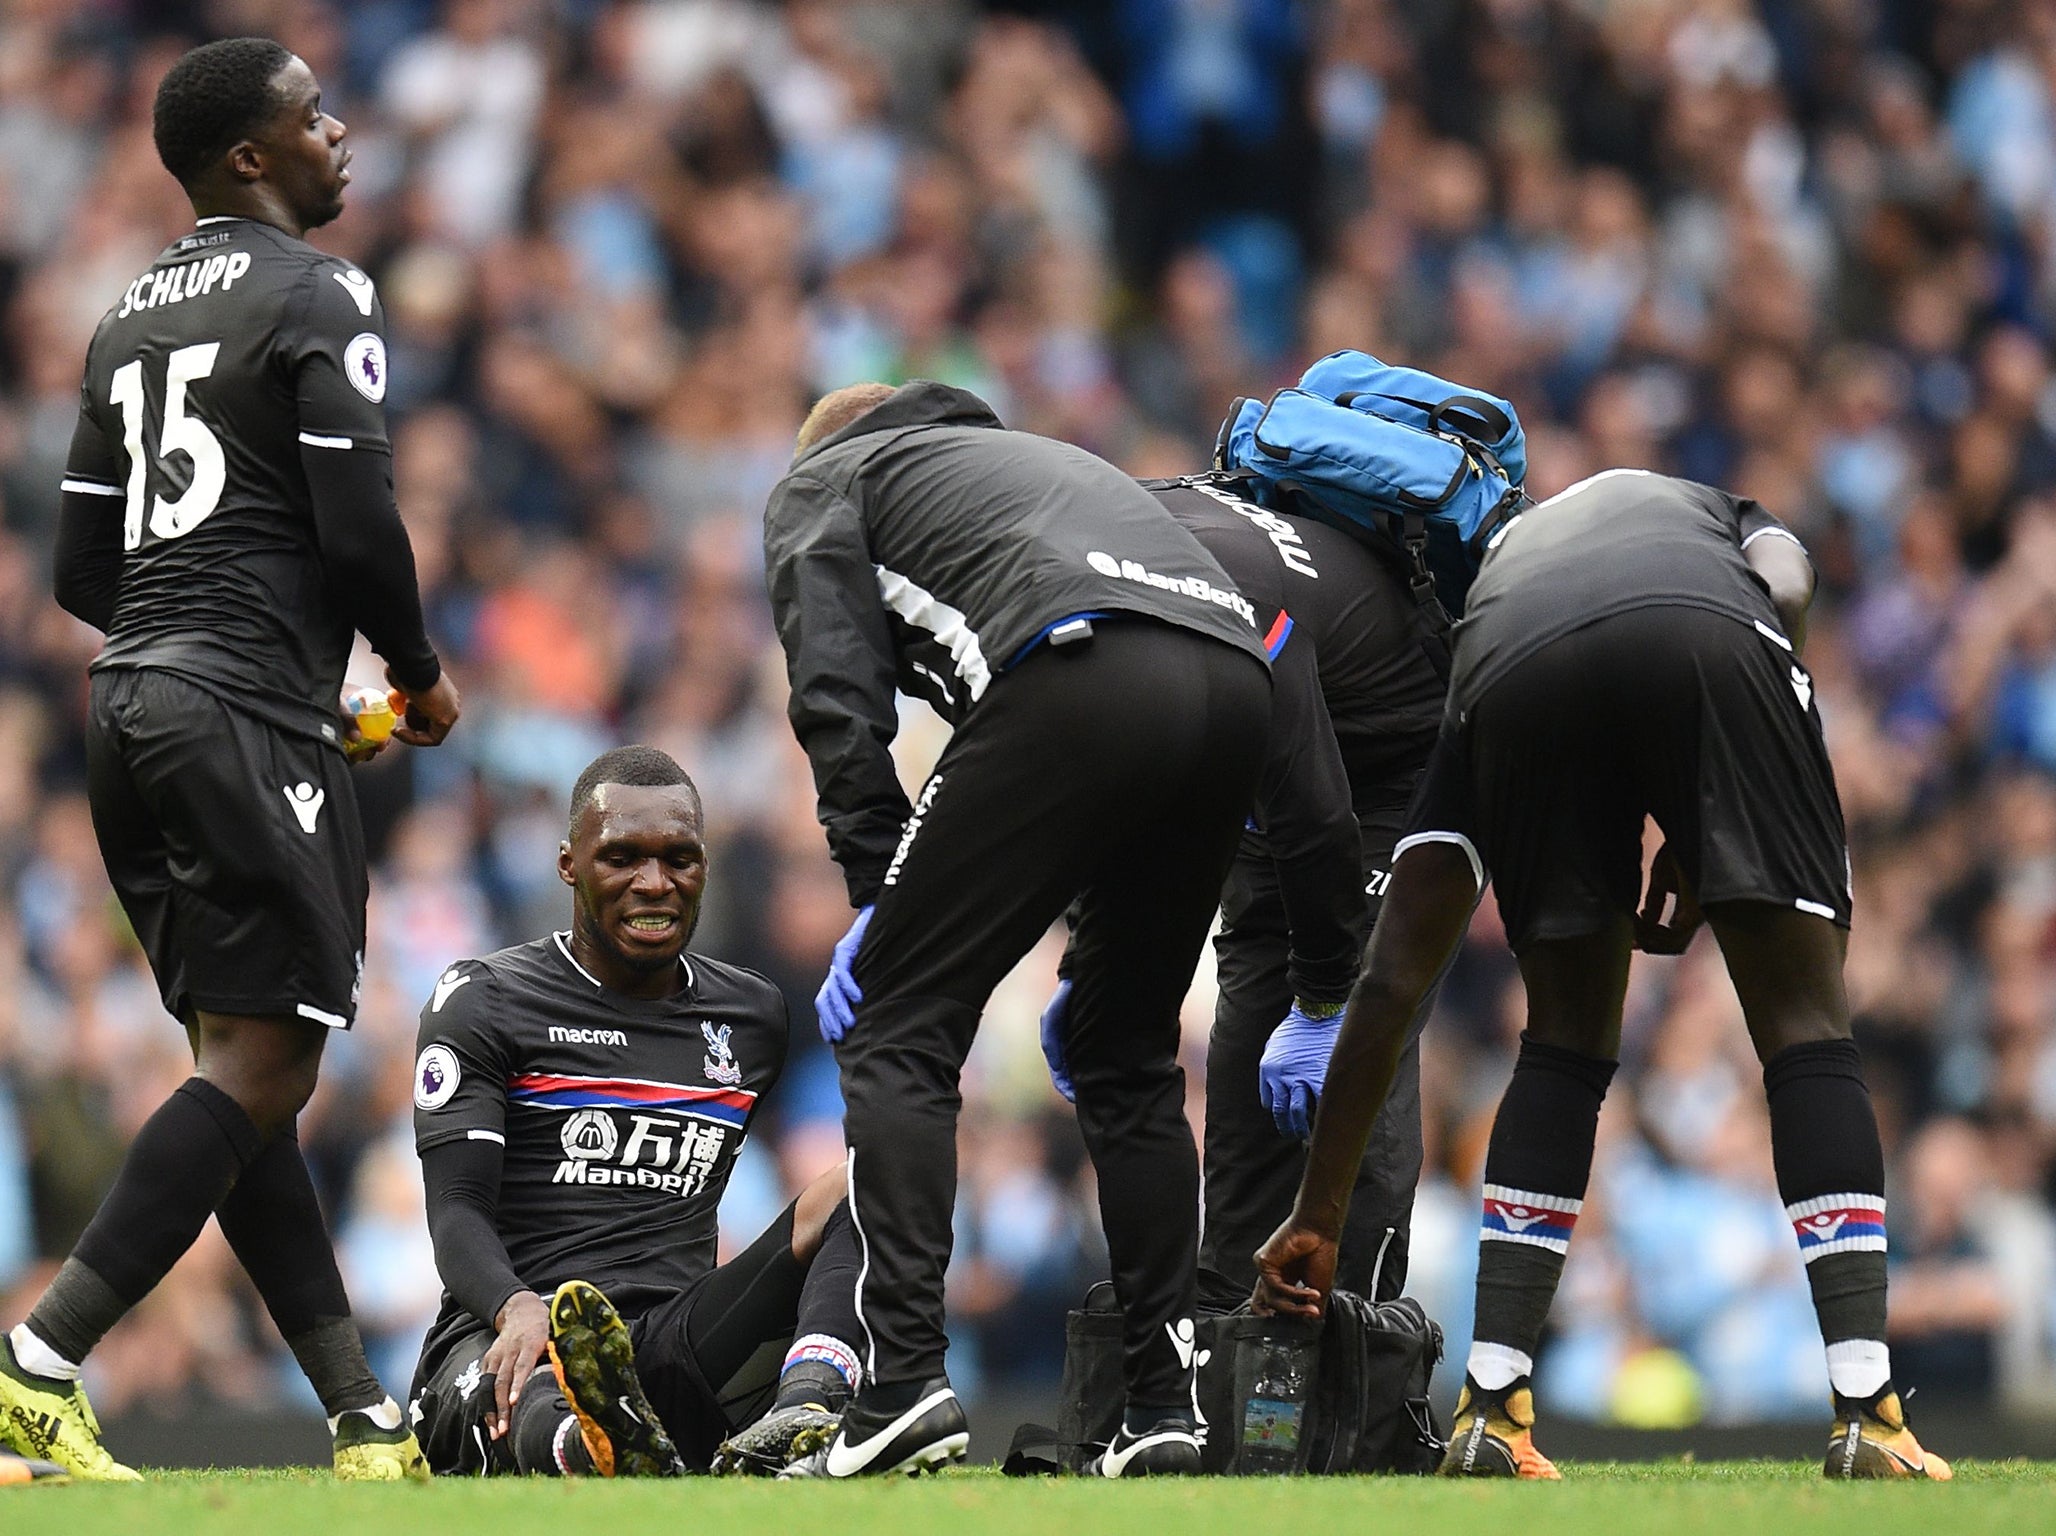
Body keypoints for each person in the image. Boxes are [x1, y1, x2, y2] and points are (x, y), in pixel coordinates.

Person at [1251, 468, 1951, 1481]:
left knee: (1564, 1041)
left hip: (1515, 674)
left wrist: (1314, 1213)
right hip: (1713, 636)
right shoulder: (1708, 509)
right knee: (1804, 1028)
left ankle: (1490, 1408)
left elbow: (1391, 979)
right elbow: (1785, 575)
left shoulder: (1491, 615)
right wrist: (1706, 800)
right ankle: (1866, 1413)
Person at [1, 38, 460, 1481]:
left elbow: (82, 563)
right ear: (249, 156)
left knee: (244, 1068)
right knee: (266, 1065)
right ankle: (38, 1355)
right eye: (313, 114)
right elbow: (361, 528)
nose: (342, 131)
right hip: (234, 715)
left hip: (129, 707)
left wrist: (210, 636)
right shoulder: (319, 293)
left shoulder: (122, 317)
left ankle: (361, 1415)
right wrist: (419, 680)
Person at [765, 381, 1272, 1477]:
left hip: (1078, 661)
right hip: (1238, 682)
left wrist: (874, 894)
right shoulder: (1038, 467)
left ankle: (899, 1385)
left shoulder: (826, 479)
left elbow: (837, 700)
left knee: (897, 1024)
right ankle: (1161, 1409)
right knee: (1122, 1050)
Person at [1041, 473, 1444, 1308]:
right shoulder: (1076, 576)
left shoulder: (1230, 603)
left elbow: (1320, 817)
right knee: (1244, 1064)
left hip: (1401, 759)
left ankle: (1357, 1360)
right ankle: (1230, 1357)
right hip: (1291, 747)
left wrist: (1328, 1002)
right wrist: (1088, 966)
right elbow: (1107, 787)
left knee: (1358, 1047)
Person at [407, 745, 866, 1478]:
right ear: (568, 864)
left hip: (672, 1346)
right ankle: (590, 1454)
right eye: (622, 858)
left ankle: (805, 1417)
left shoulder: (750, 1017)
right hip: (518, 1336)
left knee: (861, 1183)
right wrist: (512, 1304)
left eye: (679, 859)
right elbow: (457, 1211)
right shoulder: (486, 999)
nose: (654, 884)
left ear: (705, 866)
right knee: (542, 1393)